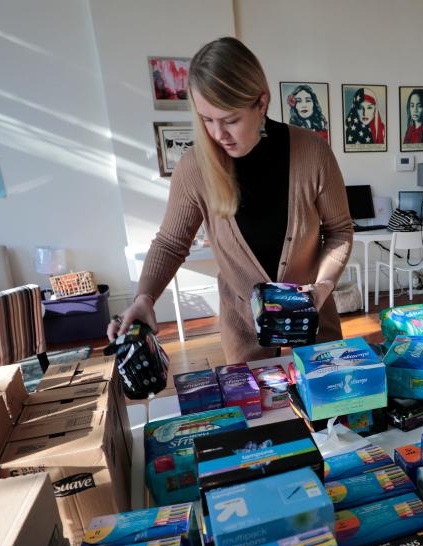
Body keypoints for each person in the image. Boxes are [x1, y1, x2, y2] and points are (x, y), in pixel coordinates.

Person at [110, 37, 353, 363]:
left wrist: (322, 285)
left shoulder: (313, 153)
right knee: (258, 412)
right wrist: (145, 298)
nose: (218, 134)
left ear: (261, 103)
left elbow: (339, 230)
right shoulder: (195, 167)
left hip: (313, 321)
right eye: (206, 120)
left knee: (330, 407)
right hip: (245, 331)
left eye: (230, 120)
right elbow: (171, 242)